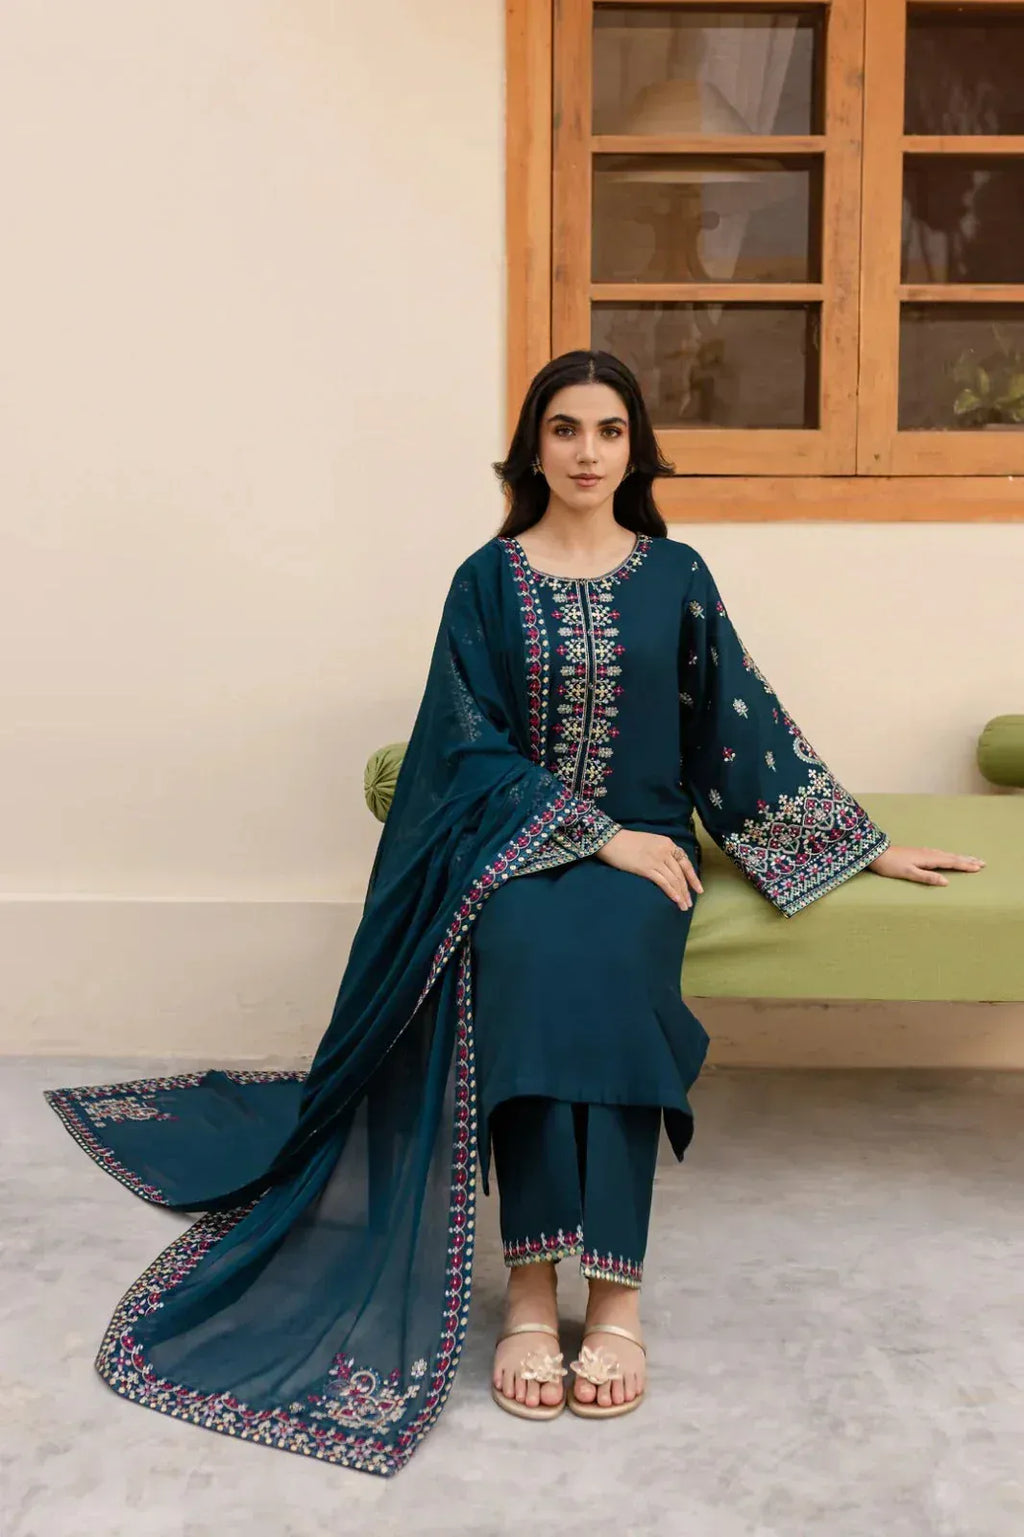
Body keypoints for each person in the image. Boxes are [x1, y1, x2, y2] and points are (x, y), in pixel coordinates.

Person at [45, 351, 984, 1473]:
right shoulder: (484, 580)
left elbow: (734, 730)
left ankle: (619, 1294)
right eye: (564, 430)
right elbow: (462, 748)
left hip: (649, 860)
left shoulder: (675, 573)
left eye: (608, 432)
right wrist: (594, 834)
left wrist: (859, 845)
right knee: (530, 969)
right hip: (519, 853)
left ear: (635, 450)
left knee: (616, 982)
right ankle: (533, 1289)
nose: (587, 452)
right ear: (531, 446)